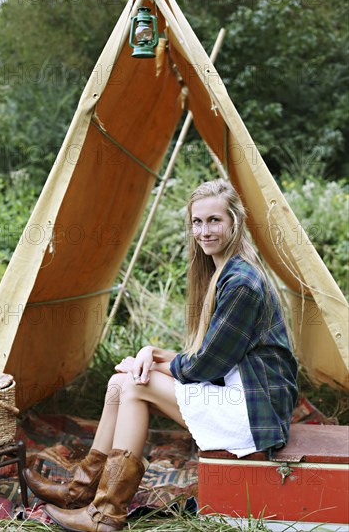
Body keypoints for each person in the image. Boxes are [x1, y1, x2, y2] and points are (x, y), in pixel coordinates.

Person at [24, 179, 298, 531]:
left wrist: (151, 364)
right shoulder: (226, 272)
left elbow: (205, 366)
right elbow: (212, 355)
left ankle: (106, 514)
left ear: (234, 222)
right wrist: (151, 354)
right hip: (242, 393)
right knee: (120, 382)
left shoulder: (241, 283)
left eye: (214, 220)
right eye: (197, 222)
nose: (204, 231)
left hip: (255, 412)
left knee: (135, 386)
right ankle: (81, 490)